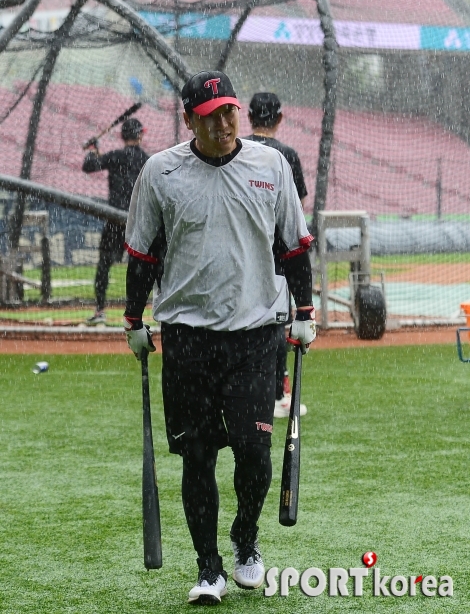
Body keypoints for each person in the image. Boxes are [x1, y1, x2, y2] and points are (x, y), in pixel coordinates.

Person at [123, 71, 316, 606]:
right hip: (187, 338)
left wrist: (304, 311)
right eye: (213, 116)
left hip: (257, 334)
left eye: (231, 111)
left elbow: (295, 246)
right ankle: (208, 568)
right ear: (190, 120)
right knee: (198, 457)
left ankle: (245, 541)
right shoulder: (160, 173)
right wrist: (133, 320)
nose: (227, 123)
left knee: (255, 452)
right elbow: (141, 254)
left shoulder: (270, 163)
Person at [245, 92, 309, 418]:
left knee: (241, 324)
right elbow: (295, 212)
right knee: (276, 325)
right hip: (278, 258)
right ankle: (277, 394)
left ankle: (242, 392)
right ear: (279, 119)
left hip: (243, 253)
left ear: (249, 117)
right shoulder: (286, 155)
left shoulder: (237, 150)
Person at [82, 118, 149, 325]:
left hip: (114, 220)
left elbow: (88, 166)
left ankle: (100, 310)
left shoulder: (116, 156)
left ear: (122, 136)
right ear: (139, 135)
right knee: (141, 269)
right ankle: (136, 314)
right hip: (136, 221)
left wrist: (93, 149)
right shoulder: (146, 159)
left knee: (104, 266)